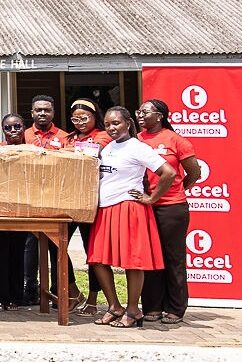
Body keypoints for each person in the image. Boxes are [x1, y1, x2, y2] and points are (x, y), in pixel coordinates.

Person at [88, 106, 176, 328]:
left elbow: (169, 172)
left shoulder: (138, 147)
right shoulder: (108, 148)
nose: (111, 128)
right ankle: (114, 306)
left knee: (133, 262)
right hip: (105, 208)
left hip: (128, 208)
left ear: (128, 123)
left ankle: (133, 310)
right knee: (97, 260)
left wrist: (152, 197)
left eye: (116, 123)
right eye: (107, 124)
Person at [138, 99, 201, 325]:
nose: (140, 115)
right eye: (139, 112)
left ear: (160, 116)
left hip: (172, 207)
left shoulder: (176, 140)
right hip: (145, 206)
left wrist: (176, 190)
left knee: (173, 258)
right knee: (150, 257)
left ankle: (175, 308)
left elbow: (194, 172)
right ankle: (152, 307)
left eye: (145, 112)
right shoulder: (137, 140)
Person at [60, 98, 112, 316]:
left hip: (93, 201)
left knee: (92, 252)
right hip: (69, 200)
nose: (80, 123)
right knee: (57, 245)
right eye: (75, 119)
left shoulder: (103, 135)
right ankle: (73, 292)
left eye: (84, 118)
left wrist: (67, 152)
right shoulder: (68, 138)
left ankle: (92, 299)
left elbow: (91, 153)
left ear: (94, 117)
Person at [23, 94, 67, 305]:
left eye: (47, 110)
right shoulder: (23, 135)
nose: (42, 113)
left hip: (57, 200)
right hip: (29, 199)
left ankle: (59, 293)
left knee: (57, 247)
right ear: (32, 112)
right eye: (38, 110)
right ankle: (30, 290)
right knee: (30, 246)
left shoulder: (64, 137)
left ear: (53, 113)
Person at [0, 113, 27, 311]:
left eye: (17, 126)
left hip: (21, 209)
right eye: (8, 127)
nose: (13, 131)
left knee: (18, 253)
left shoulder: (30, 151)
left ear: (24, 128)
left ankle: (15, 298)